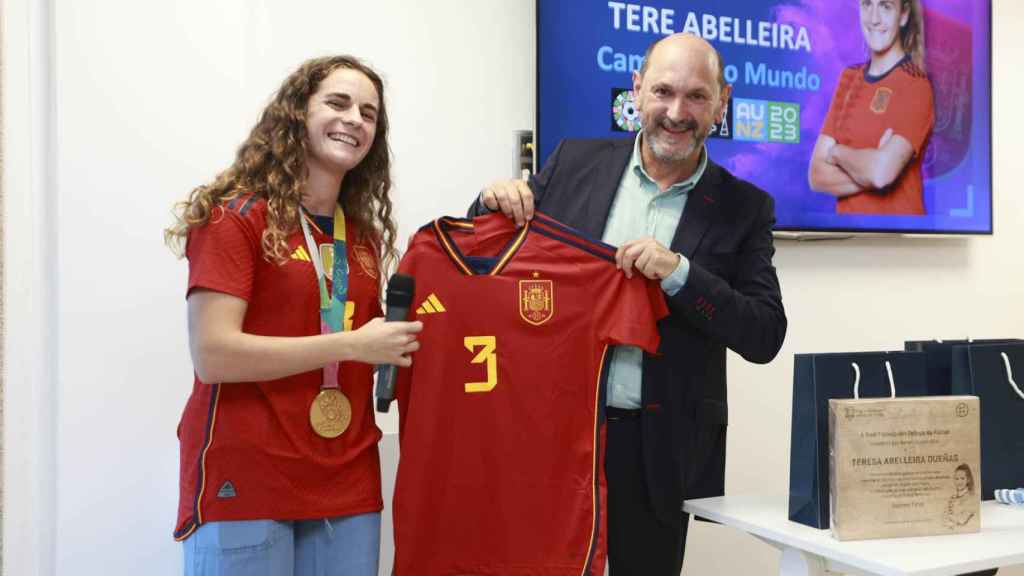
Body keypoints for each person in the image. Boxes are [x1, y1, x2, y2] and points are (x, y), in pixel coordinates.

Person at [470, 33, 787, 575]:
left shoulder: (744, 207)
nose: (676, 112)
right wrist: (490, 201)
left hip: (657, 449)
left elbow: (764, 334)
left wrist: (681, 274)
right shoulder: (574, 162)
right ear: (637, 91)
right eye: (663, 91)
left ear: (722, 102)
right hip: (556, 434)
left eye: (696, 96)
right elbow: (491, 265)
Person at [164, 55, 422, 576]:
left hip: (347, 481)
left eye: (369, 113)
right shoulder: (234, 217)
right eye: (338, 102)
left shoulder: (364, 239)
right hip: (247, 476)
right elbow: (214, 354)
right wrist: (349, 346)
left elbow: (385, 345)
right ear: (297, 114)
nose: (355, 119)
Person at [808, 0, 934, 215]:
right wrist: (873, 164)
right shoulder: (848, 79)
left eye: (885, 6)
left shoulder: (916, 85)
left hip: (898, 241)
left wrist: (837, 153)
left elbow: (881, 174)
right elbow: (816, 176)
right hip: (845, 239)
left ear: (903, 16)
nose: (874, 18)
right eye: (867, 4)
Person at [944, 464, 977, 529]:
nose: (959, 481)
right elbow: (943, 517)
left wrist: (949, 517)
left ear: (968, 480)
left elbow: (962, 520)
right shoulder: (952, 498)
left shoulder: (972, 498)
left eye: (962, 478)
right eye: (957, 479)